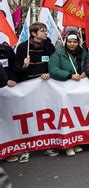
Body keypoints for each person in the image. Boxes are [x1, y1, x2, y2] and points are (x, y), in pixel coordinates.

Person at [14, 22, 57, 162]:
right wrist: (24, 66)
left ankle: (47, 146)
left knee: (45, 117)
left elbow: (54, 64)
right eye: (42, 31)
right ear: (33, 34)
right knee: (29, 118)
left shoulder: (49, 46)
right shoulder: (22, 48)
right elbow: (16, 70)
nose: (46, 33)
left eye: (45, 30)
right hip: (28, 88)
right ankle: (26, 148)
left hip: (45, 87)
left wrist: (49, 73)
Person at [48, 31, 88, 156]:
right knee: (67, 118)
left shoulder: (84, 53)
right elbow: (53, 69)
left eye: (75, 42)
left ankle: (76, 141)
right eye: (70, 42)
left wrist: (86, 72)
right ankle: (68, 145)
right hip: (65, 90)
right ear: (66, 42)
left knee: (78, 117)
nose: (72, 44)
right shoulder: (59, 54)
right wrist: (69, 75)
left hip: (80, 90)